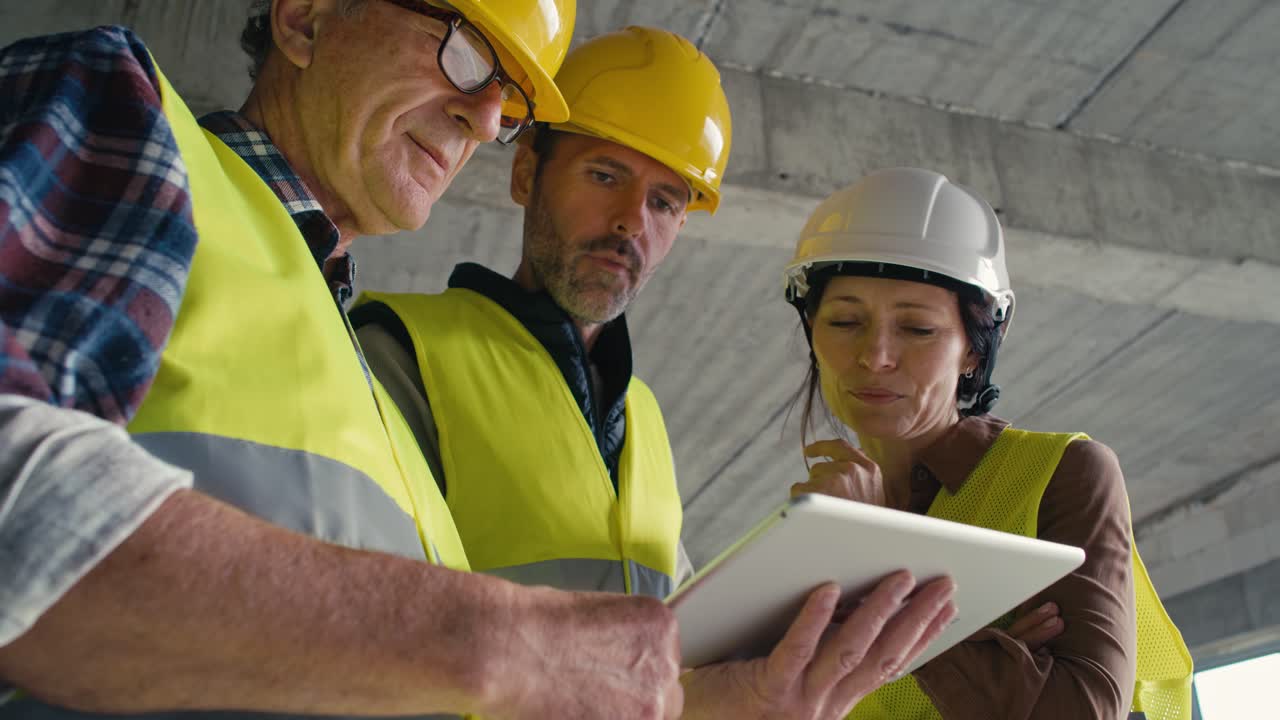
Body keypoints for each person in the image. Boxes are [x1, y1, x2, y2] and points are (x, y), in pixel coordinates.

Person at [0, 1, 708, 717]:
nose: (487, 120)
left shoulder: (374, 414)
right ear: (306, 19)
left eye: (512, 101)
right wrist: (494, 641)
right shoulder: (133, 122)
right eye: (466, 51)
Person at [353, 27, 958, 718]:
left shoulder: (640, 413)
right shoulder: (399, 351)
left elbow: (679, 666)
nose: (629, 222)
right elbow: (353, 634)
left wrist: (830, 561)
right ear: (526, 174)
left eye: (665, 202)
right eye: (605, 176)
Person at [781, 167, 1194, 719]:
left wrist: (873, 563)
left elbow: (1081, 710)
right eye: (845, 320)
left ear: (975, 350)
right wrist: (991, 658)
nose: (874, 355)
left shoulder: (1061, 474)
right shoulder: (814, 523)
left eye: (917, 329)